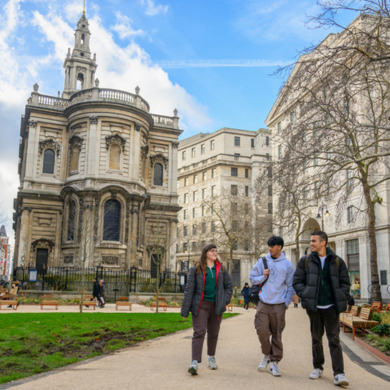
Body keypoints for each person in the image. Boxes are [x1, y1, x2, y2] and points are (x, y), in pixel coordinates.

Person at [293, 231, 350, 387]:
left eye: (314, 241)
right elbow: (297, 281)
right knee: (316, 339)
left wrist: (341, 295)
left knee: (334, 340)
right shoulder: (305, 261)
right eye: (311, 241)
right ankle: (318, 367)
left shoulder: (337, 261)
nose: (311, 243)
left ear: (323, 242)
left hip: (331, 308)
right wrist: (305, 294)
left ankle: (339, 373)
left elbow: (346, 282)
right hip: (314, 308)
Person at [181, 243, 233, 376]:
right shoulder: (196, 269)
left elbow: (229, 286)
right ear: (205, 254)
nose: (215, 253)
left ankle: (211, 357)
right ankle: (194, 362)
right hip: (201, 305)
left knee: (214, 333)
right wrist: (185, 311)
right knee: (199, 332)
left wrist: (224, 300)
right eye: (212, 251)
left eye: (216, 251)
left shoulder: (221, 268)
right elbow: (189, 290)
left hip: (216, 306)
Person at [249, 236, 295, 377]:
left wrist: (286, 303)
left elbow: (291, 286)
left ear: (279, 247)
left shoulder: (288, 265)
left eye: (272, 246)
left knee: (277, 334)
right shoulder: (262, 261)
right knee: (262, 332)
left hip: (279, 305)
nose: (270, 248)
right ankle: (267, 354)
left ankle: (275, 363)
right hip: (263, 303)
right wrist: (262, 276)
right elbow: (252, 278)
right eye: (269, 246)